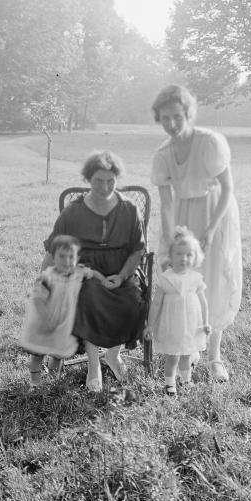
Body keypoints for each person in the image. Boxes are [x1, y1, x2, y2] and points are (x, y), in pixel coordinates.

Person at [150, 85, 242, 383]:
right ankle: (191, 347)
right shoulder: (163, 154)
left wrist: (211, 230)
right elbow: (165, 203)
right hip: (183, 216)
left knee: (213, 280)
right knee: (186, 280)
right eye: (165, 118)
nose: (172, 123)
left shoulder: (210, 143)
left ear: (188, 113)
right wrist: (169, 238)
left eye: (177, 116)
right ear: (159, 119)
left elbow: (227, 188)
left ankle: (215, 355)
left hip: (216, 212)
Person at [41, 150, 146, 392]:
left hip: (120, 271)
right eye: (99, 180)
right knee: (88, 294)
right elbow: (54, 249)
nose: (105, 186)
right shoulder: (74, 212)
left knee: (132, 299)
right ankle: (93, 364)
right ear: (88, 180)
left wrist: (122, 276)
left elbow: (137, 250)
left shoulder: (129, 209)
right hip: (85, 272)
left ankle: (112, 355)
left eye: (111, 180)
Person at [20, 234, 103, 389]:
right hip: (44, 322)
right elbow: (38, 300)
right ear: (53, 257)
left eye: (70, 257)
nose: (66, 261)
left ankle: (53, 379)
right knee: (38, 353)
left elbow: (91, 273)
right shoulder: (48, 277)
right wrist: (47, 319)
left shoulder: (77, 272)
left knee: (58, 353)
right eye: (61, 256)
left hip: (63, 322)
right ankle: (35, 383)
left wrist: (103, 280)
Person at [144, 227, 210, 396]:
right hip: (172, 324)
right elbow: (157, 303)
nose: (184, 258)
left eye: (188, 255)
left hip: (191, 324)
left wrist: (205, 322)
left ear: (194, 257)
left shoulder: (196, 278)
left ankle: (186, 380)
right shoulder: (167, 278)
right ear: (171, 257)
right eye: (179, 254)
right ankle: (169, 383)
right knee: (173, 356)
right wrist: (150, 325)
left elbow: (203, 302)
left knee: (187, 354)